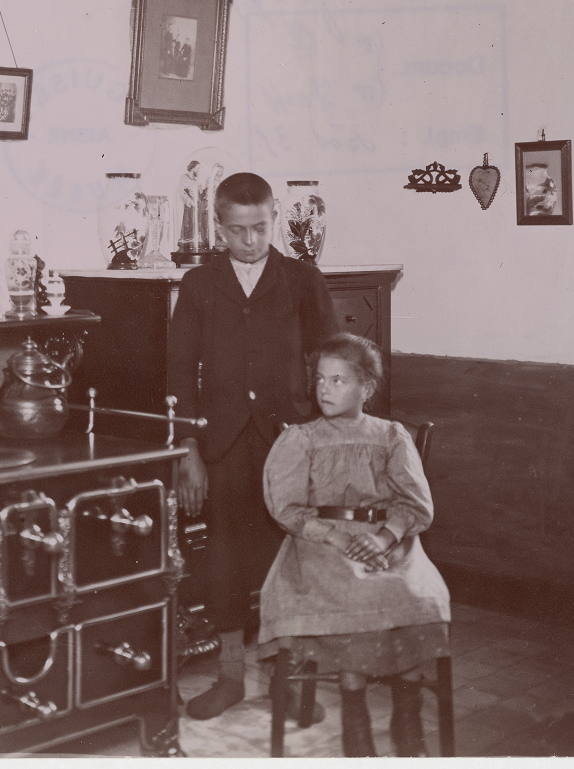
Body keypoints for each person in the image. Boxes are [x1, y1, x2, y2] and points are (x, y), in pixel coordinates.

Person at [167, 171, 339, 720]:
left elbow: (331, 359)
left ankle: (283, 680)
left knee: (284, 560)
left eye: (259, 229)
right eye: (237, 231)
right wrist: (188, 449)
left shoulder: (302, 279)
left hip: (286, 441)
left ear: (274, 219)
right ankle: (229, 678)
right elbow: (177, 373)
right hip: (221, 445)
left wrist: (318, 433)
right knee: (221, 558)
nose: (249, 241)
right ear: (219, 229)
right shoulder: (198, 285)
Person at [258, 333, 451, 756]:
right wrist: (333, 535)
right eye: (321, 380)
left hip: (388, 539)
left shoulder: (390, 435)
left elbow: (416, 503)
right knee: (356, 594)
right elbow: (287, 508)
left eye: (339, 380)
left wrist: (385, 536)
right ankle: (355, 712)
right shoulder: (301, 439)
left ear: (366, 388)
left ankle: (407, 710)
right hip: (321, 542)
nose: (325, 389)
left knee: (414, 592)